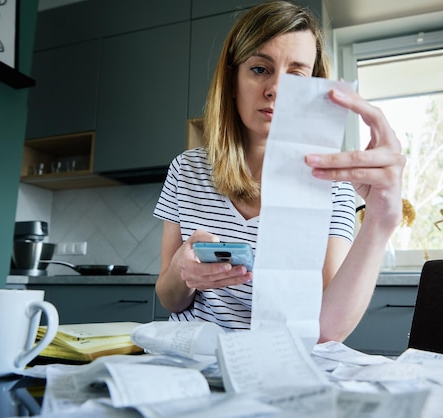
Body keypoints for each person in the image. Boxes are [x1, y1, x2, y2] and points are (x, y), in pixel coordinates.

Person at [153, 0, 405, 343]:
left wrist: (380, 220)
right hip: (192, 363)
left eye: (296, 75)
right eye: (260, 69)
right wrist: (185, 269)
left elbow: (326, 332)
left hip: (281, 366)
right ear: (232, 78)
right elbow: (168, 298)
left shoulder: (334, 186)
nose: (276, 89)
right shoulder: (187, 169)